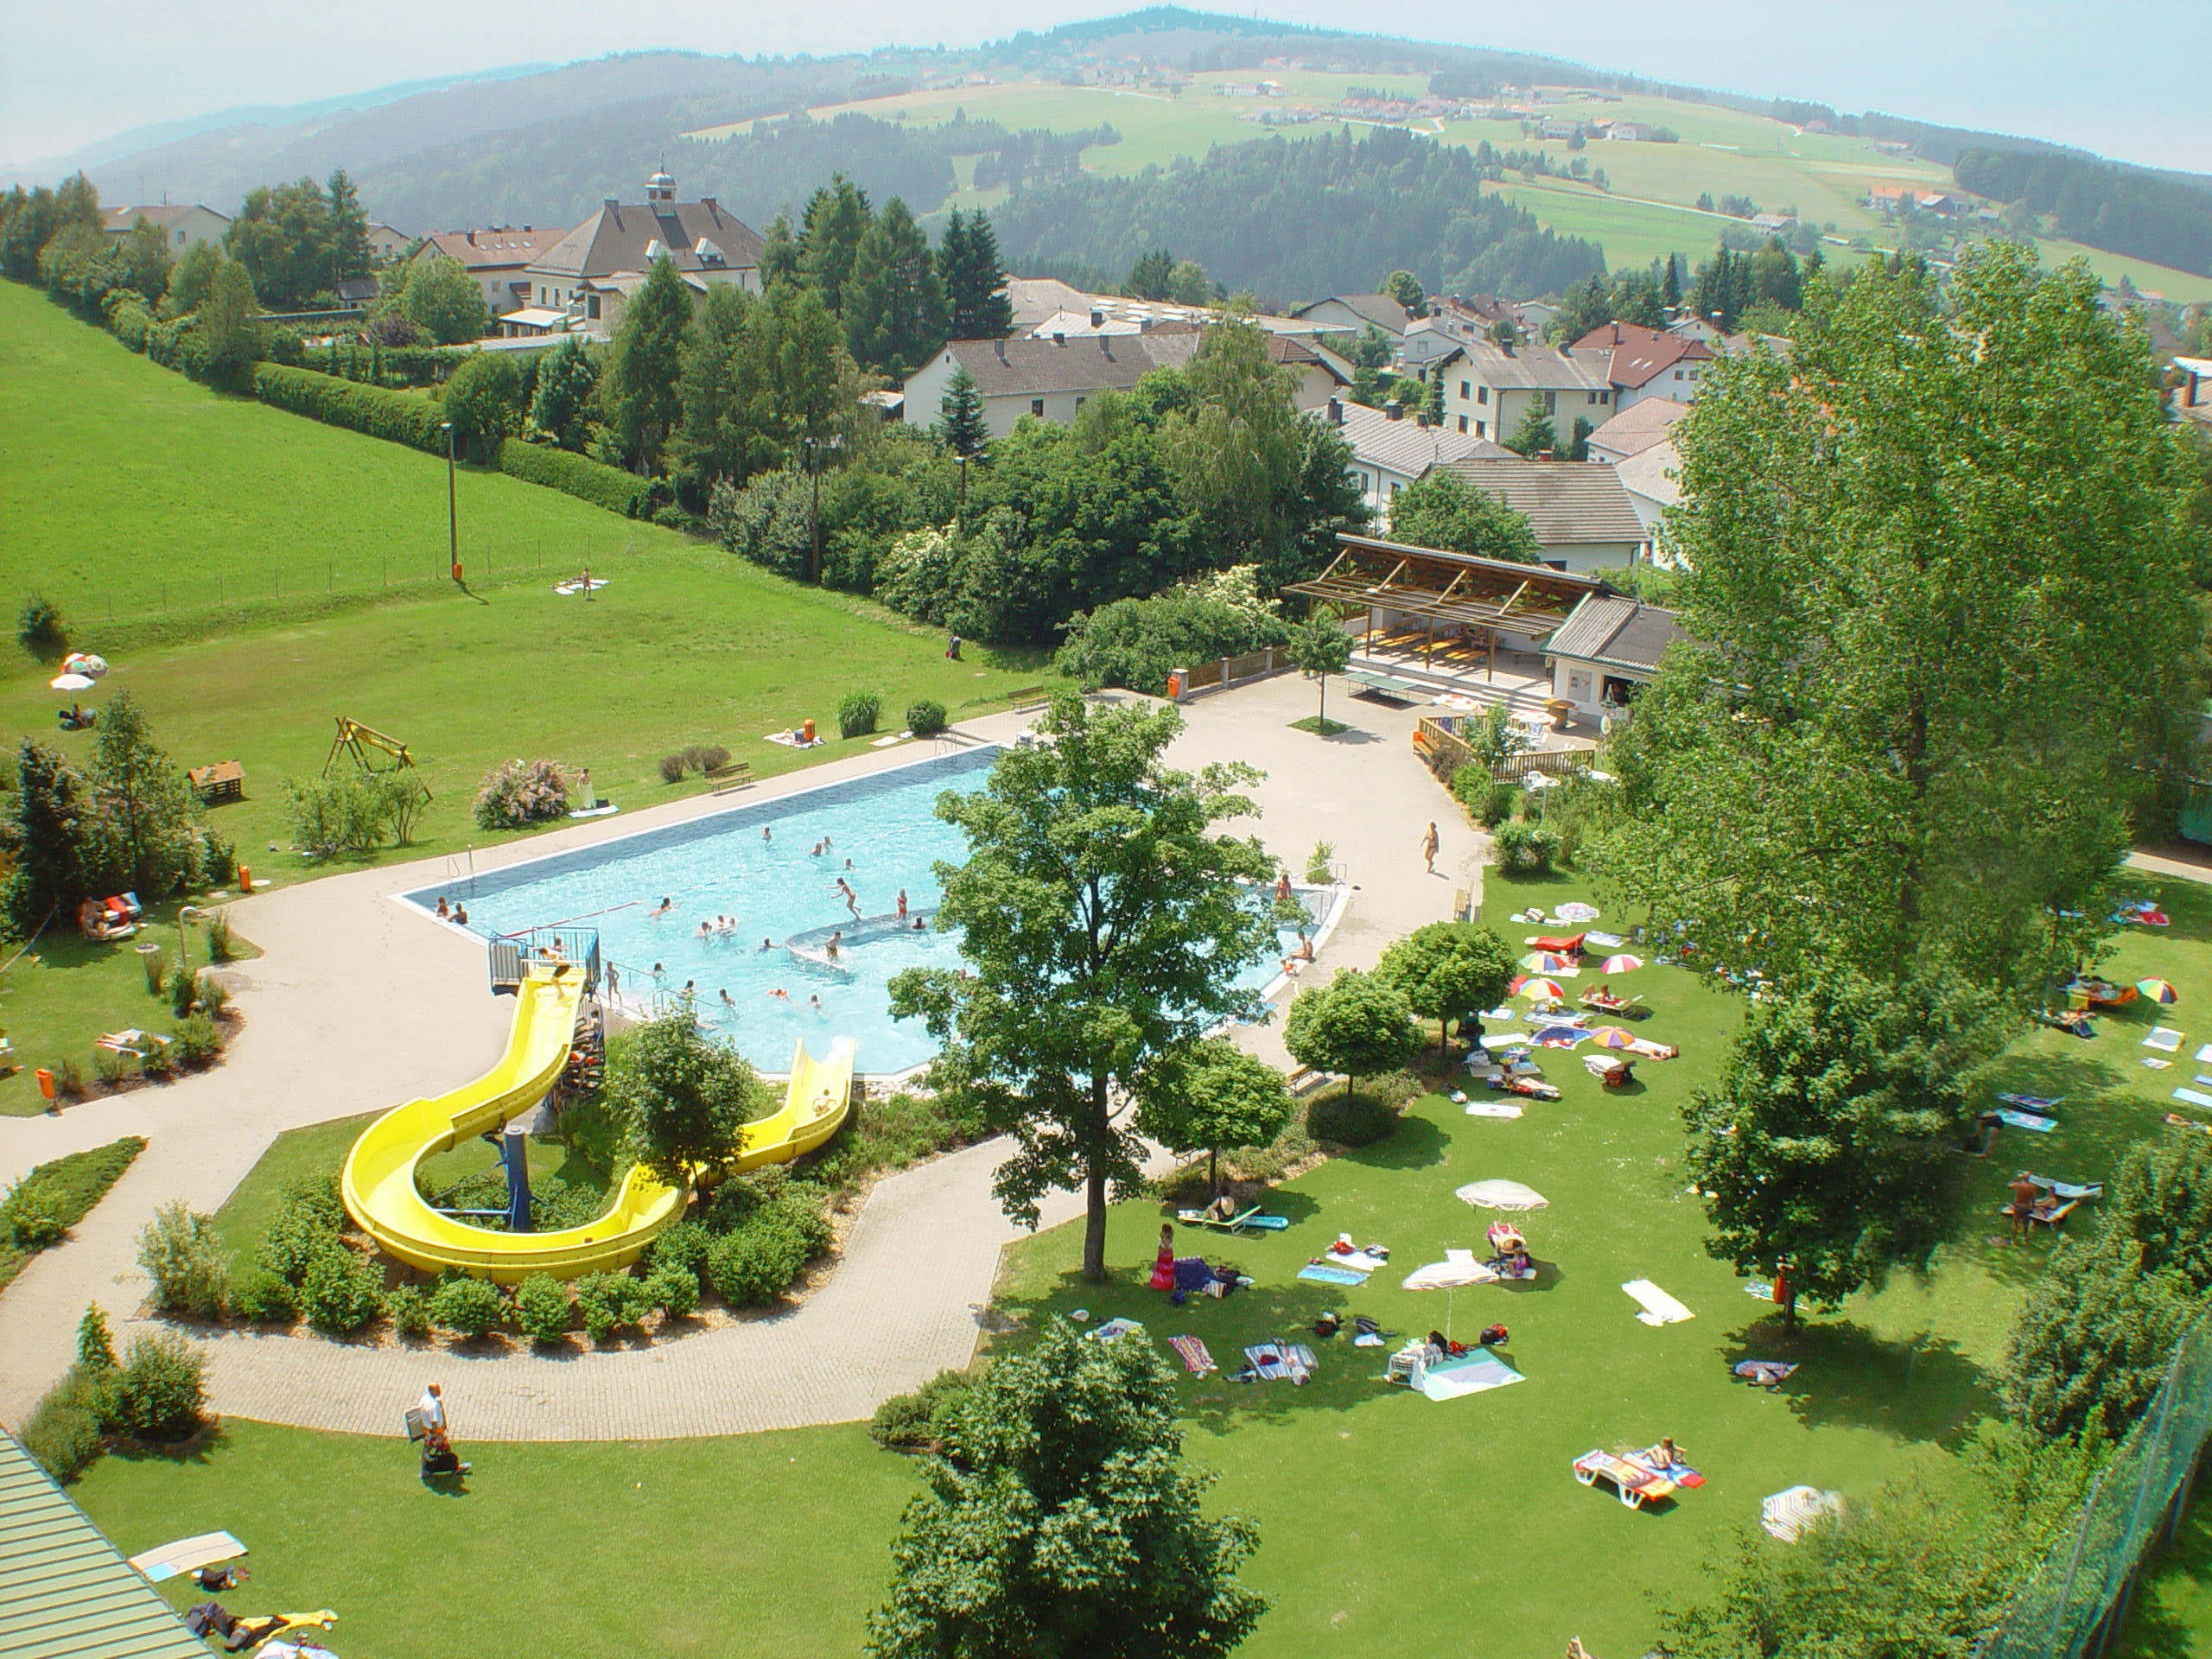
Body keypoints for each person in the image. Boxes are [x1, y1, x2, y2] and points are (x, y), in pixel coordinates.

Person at [417, 1382, 469, 1478]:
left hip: (427, 1431)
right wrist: (438, 1436)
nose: (440, 1392)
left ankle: (424, 1471)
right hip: (434, 1432)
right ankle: (454, 1468)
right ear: (433, 1391)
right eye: (438, 1390)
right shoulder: (432, 1405)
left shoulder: (426, 1398)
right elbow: (434, 1422)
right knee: (443, 1448)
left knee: (427, 1449)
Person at [2009, 1169, 2040, 1240]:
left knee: (2015, 1223)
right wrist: (2033, 1206)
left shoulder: (2017, 1185)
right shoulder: (2032, 1187)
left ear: (2022, 1177)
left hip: (2018, 1206)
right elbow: (2033, 1198)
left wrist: (2018, 1179)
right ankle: (2025, 1237)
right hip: (2026, 1207)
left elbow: (2009, 1186)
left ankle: (2014, 1239)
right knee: (2025, 1223)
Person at [1150, 1222, 1177, 1291]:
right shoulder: (1168, 1238)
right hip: (1166, 1255)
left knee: (1163, 1269)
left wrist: (1162, 1241)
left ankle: (1163, 1283)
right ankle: (1166, 1283)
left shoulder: (1166, 1239)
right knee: (1166, 1269)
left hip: (1165, 1256)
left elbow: (1166, 1248)